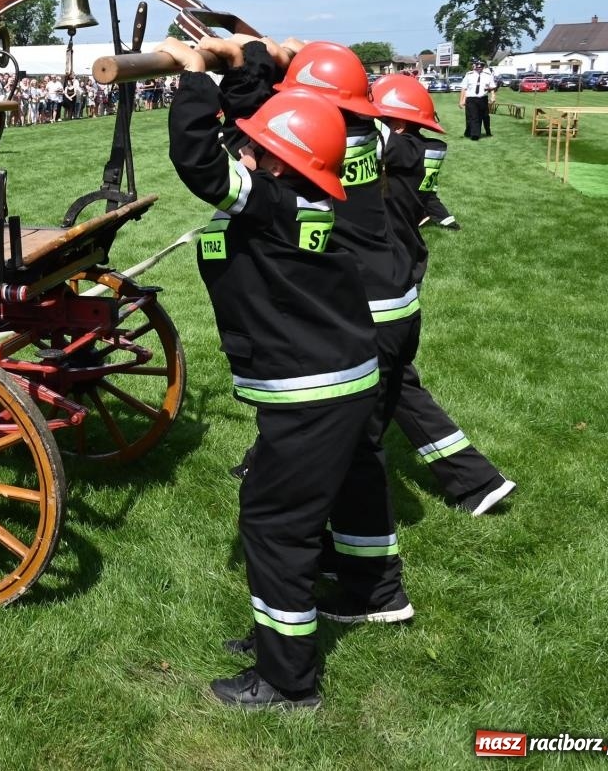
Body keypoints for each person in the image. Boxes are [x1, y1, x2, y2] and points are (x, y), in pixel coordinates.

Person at [161, 35, 407, 710]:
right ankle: (314, 619)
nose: (243, 151)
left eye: (254, 149)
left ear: (276, 164)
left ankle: (287, 680)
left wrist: (194, 78)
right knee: (311, 506)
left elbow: (200, 162)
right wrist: (247, 66)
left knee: (274, 524)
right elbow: (253, 134)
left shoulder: (270, 204)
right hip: (341, 379)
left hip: (311, 394)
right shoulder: (302, 194)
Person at [370, 74, 517, 513]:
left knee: (370, 382)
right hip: (403, 272)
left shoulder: (398, 150)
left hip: (380, 282)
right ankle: (478, 481)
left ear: (396, 125)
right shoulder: (421, 147)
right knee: (392, 380)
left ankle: (476, 480)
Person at [459, 60, 495, 140]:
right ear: (474, 66)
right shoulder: (469, 75)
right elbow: (464, 88)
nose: (479, 67)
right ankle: (475, 135)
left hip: (483, 98)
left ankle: (469, 132)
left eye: (481, 66)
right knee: (474, 116)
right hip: (471, 99)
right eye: (477, 65)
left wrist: (493, 96)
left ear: (483, 66)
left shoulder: (488, 75)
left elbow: (492, 87)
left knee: (484, 116)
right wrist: (461, 100)